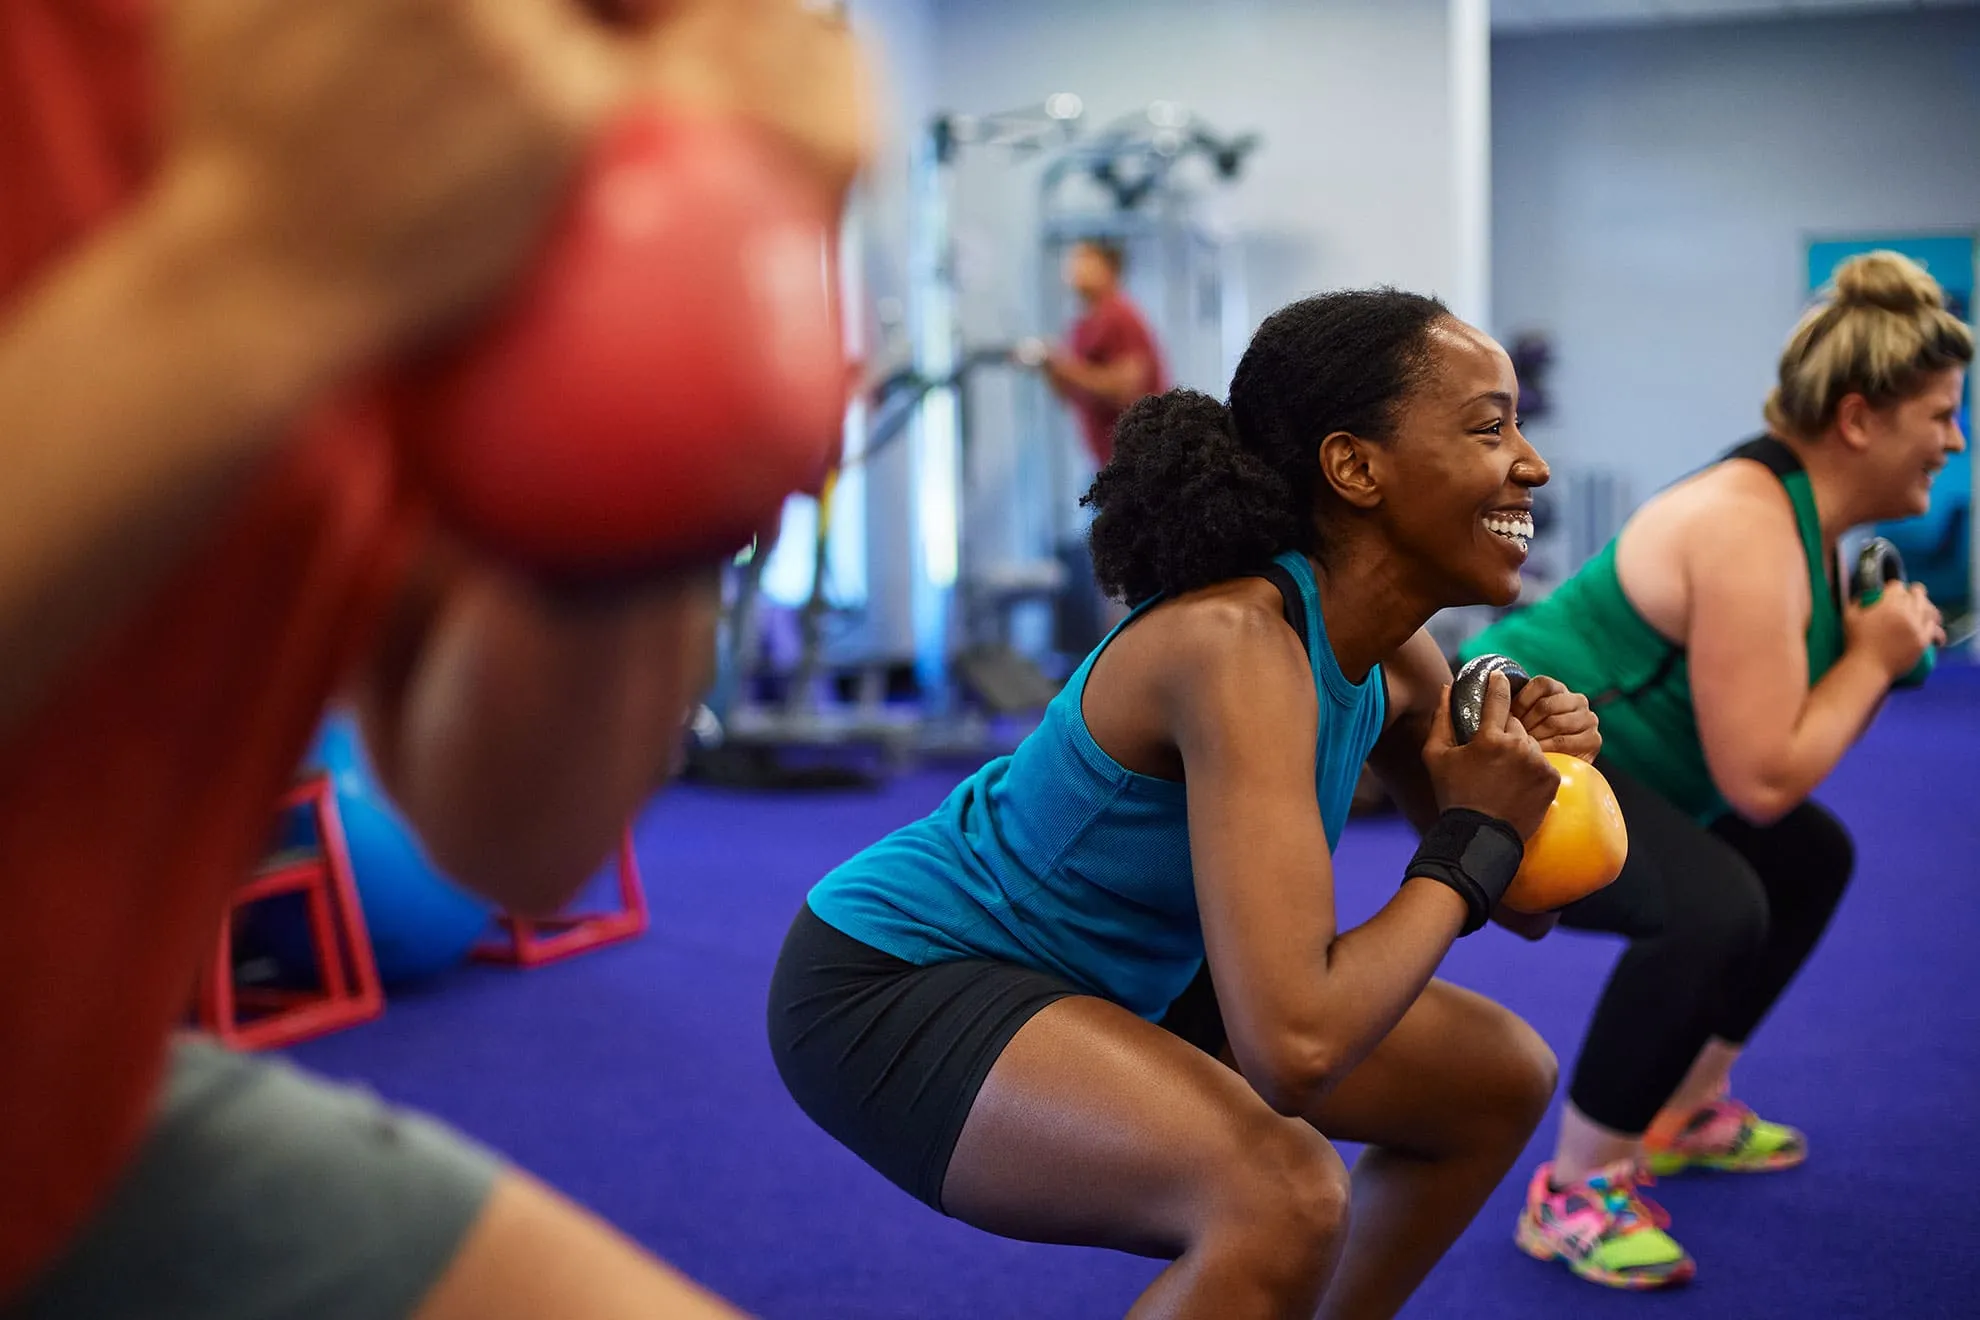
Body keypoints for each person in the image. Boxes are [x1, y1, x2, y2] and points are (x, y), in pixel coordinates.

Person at [0, 0, 864, 1316]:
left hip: (63, 1103)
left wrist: (699, 264)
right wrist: (251, 266)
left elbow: (516, 834)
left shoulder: (492, 61)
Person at [771, 288, 1604, 1320]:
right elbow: (1296, 1052)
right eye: (1490, 428)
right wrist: (1477, 833)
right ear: (1355, 468)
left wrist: (1539, 782)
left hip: (1131, 971)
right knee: (1280, 1197)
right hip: (905, 975)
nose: (1533, 463)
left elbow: (1527, 907)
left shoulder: (1397, 660)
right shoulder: (1234, 646)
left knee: (1494, 1079)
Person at [1461, 250, 1968, 1290]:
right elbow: (1764, 780)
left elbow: (1784, 763)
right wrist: (1871, 662)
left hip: (1617, 763)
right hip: (1511, 753)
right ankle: (1573, 1190)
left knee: (1809, 858)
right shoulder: (1748, 526)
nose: (1955, 440)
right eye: (1942, 415)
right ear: (1860, 419)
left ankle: (1685, 1108)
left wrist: (1869, 659)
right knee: (1710, 906)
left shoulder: (1810, 524)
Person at [1016, 238, 1171, 470]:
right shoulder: (1083, 323)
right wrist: (1050, 366)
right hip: (1106, 460)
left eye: (1085, 258)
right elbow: (1072, 392)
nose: (1074, 266)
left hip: (1138, 462)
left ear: (1109, 268)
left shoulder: (1120, 316)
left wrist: (1062, 366)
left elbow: (1126, 389)